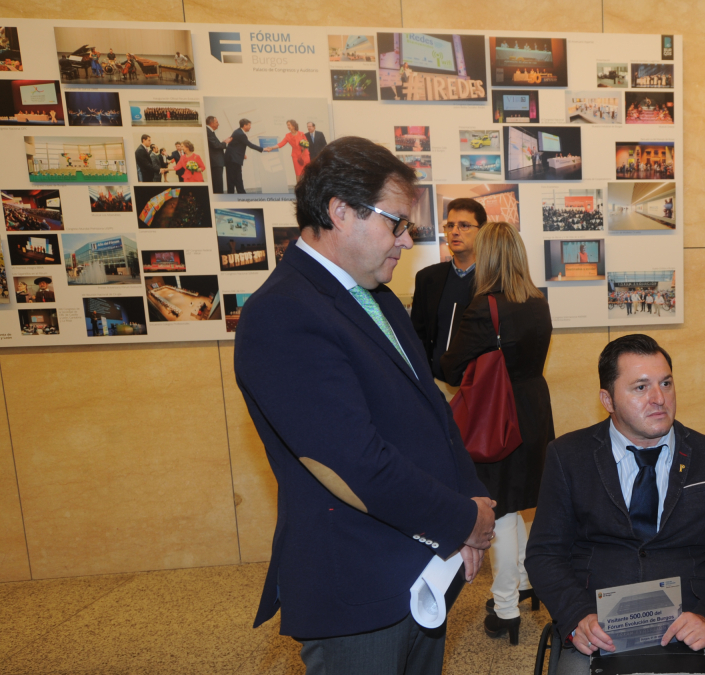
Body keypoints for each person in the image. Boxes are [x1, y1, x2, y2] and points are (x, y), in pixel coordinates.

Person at [233, 137, 495, 674]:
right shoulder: (282, 314)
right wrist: (464, 520)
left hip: (422, 571)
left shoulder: (375, 295)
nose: (406, 239)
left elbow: (434, 414)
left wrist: (472, 502)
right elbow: (352, 462)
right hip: (358, 585)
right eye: (396, 222)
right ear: (341, 211)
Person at [526, 335, 705, 675]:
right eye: (640, 388)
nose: (658, 398)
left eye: (665, 383)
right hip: (599, 626)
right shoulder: (568, 457)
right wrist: (577, 617)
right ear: (607, 399)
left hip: (691, 622)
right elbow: (543, 553)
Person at [440, 221, 554, 645]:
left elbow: (451, 367)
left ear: (486, 257)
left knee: (499, 509)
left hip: (497, 417)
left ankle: (506, 609)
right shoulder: (537, 301)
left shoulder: (483, 307)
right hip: (533, 408)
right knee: (519, 502)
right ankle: (526, 581)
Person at [411, 198, 487, 380]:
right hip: (437, 383)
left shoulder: (495, 280)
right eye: (450, 225)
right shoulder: (427, 279)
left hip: (482, 387)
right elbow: (417, 335)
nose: (454, 232)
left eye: (464, 225)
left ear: (482, 231)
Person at [225, 118, 267, 194]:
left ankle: (238, 194)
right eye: (249, 125)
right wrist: (263, 149)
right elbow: (250, 145)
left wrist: (242, 154)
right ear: (245, 125)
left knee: (235, 179)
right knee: (235, 179)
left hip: (232, 158)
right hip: (233, 159)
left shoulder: (237, 131)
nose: (250, 127)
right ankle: (239, 195)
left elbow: (234, 145)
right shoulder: (241, 134)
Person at [206, 116, 227, 194]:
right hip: (215, 162)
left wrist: (223, 142)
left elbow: (215, 144)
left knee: (217, 184)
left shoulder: (210, 132)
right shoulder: (207, 131)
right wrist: (225, 143)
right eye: (217, 122)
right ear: (211, 123)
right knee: (218, 185)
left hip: (216, 162)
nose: (218, 124)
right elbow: (215, 145)